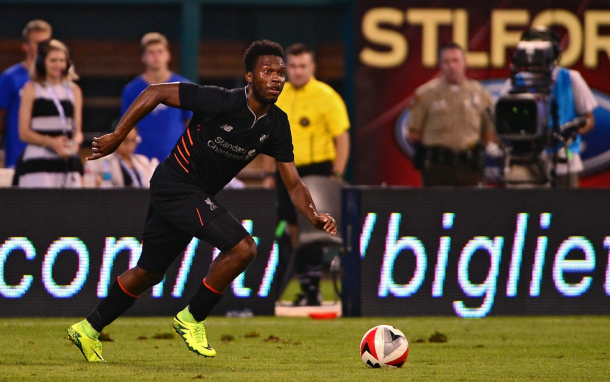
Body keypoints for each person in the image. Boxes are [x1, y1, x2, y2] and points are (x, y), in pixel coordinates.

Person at [67, 40, 337, 363]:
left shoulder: (276, 124)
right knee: (243, 248)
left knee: (149, 272)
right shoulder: (220, 100)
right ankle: (192, 317)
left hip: (188, 194)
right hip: (175, 185)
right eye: (268, 71)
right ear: (250, 76)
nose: (277, 78)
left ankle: (88, 327)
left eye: (280, 73)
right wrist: (117, 136)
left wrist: (313, 214)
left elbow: (292, 182)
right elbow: (155, 91)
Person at [261, 43, 350, 306]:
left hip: (317, 170)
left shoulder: (327, 96)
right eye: (294, 67)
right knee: (292, 230)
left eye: (303, 66)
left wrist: (336, 174)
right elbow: (267, 138)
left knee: (313, 227)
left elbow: (341, 138)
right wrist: (268, 174)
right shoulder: (278, 94)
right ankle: (307, 287)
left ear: (312, 68)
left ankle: (312, 289)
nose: (298, 72)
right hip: (286, 169)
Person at [499, 27, 597, 188]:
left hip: (563, 158)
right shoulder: (515, 82)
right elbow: (502, 119)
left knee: (565, 207)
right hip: (525, 159)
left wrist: (570, 131)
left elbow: (589, 119)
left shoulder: (570, 78)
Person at [407, 42, 495, 186]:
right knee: (437, 207)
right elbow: (414, 133)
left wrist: (479, 150)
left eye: (455, 61)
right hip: (438, 167)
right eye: (446, 61)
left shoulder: (479, 93)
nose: (451, 66)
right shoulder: (426, 94)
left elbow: (488, 132)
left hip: (469, 166)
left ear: (464, 63)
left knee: (471, 207)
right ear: (440, 64)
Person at [14, 39, 83, 188]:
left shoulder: (74, 90)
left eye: (62, 60)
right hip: (38, 160)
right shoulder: (31, 89)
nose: (58, 65)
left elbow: (78, 132)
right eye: (53, 60)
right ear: (42, 62)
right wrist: (52, 142)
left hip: (67, 161)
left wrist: (74, 144)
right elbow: (23, 132)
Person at [121, 32, 192, 162]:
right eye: (151, 52)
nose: (156, 56)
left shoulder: (183, 87)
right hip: (141, 160)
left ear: (168, 55)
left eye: (160, 51)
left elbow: (192, 124)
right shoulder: (131, 90)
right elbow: (128, 128)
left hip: (177, 159)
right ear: (143, 57)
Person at [0, 20, 52, 168]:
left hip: (50, 156)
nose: (44, 48)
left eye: (47, 43)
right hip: (18, 156)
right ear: (25, 46)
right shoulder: (10, 78)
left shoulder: (56, 79)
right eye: (39, 43)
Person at [85, 127, 158, 188]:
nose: (130, 145)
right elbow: (88, 180)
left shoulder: (142, 161)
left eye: (133, 140)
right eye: (126, 141)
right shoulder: (103, 158)